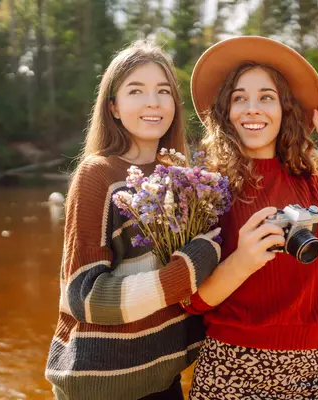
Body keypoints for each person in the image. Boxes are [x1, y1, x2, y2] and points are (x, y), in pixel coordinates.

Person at [181, 36, 318, 399]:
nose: (253, 108)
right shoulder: (206, 189)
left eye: (266, 97)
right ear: (225, 112)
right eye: (240, 98)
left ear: (285, 109)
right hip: (230, 368)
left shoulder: (315, 185)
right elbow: (189, 299)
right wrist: (243, 261)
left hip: (312, 370)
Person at [44, 41, 221, 400]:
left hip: (162, 378)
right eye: (136, 90)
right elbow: (86, 297)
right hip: (101, 386)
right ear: (114, 107)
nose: (152, 102)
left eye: (163, 91)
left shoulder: (180, 176)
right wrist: (191, 266)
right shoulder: (98, 174)